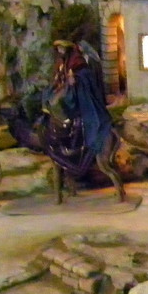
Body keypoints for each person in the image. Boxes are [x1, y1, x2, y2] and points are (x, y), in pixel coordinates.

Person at [45, 40, 125, 201]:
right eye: (58, 49)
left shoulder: (79, 64)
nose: (59, 51)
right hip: (75, 98)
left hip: (85, 102)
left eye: (61, 48)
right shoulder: (65, 64)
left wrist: (75, 82)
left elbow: (85, 80)